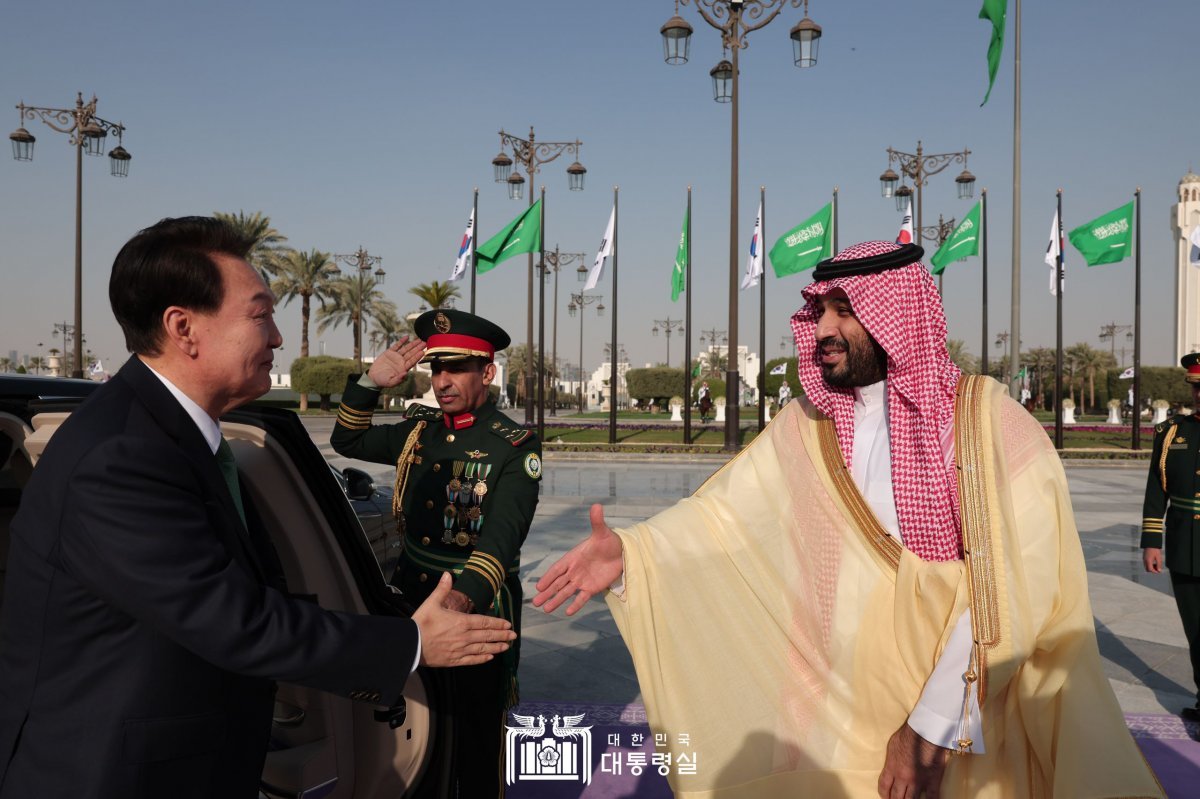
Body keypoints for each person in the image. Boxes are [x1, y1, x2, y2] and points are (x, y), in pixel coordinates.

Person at [533, 241, 1163, 798]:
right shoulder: (809, 425)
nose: (823, 328)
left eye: (844, 309)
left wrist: (929, 731)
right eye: (819, 311)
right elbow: (722, 521)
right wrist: (632, 553)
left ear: (899, 313)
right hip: (835, 716)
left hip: (963, 724)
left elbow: (1009, 590)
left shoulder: (988, 425)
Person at [0, 217, 515, 799]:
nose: (276, 337)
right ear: (183, 327)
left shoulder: (178, 437)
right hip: (118, 774)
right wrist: (413, 644)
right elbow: (233, 618)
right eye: (260, 314)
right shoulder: (122, 455)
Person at [331, 308, 540, 798]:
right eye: (437, 370)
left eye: (457, 370)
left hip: (473, 607)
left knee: (474, 736)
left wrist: (453, 608)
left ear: (486, 372)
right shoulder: (419, 432)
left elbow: (498, 546)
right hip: (411, 594)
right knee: (418, 727)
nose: (443, 381)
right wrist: (370, 381)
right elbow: (348, 438)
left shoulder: (512, 446)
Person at [1142, 352, 1200, 722]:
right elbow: (1155, 490)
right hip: (1184, 547)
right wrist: (1152, 540)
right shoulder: (1171, 433)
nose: (1199, 394)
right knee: (1195, 630)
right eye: (1196, 387)